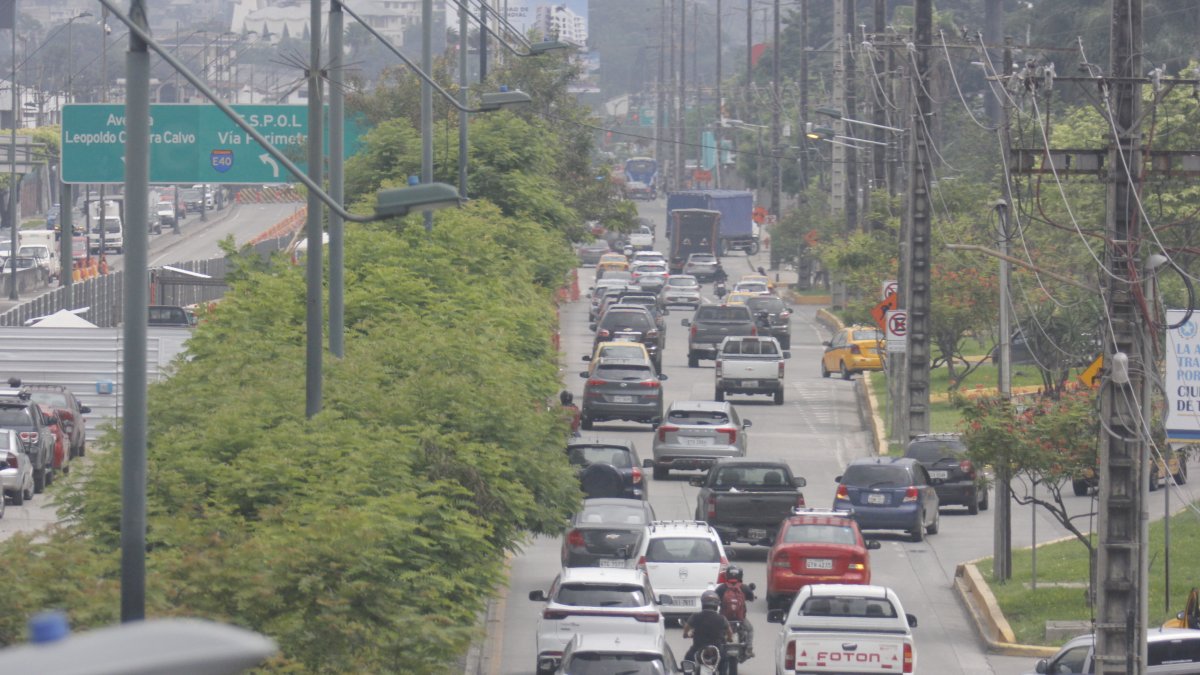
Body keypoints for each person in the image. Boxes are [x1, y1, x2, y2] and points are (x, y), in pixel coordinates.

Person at [682, 590, 734, 673]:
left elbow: (686, 627)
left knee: (687, 660)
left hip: (698, 648)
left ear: (703, 603)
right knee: (724, 661)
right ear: (717, 604)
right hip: (716, 650)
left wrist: (685, 635)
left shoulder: (695, 616)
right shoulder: (722, 618)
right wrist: (729, 639)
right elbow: (730, 632)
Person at [715, 565, 756, 658]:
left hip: (724, 618)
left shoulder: (722, 588)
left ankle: (716, 649)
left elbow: (715, 598)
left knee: (717, 631)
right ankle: (749, 649)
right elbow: (751, 597)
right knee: (750, 630)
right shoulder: (744, 588)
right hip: (740, 619)